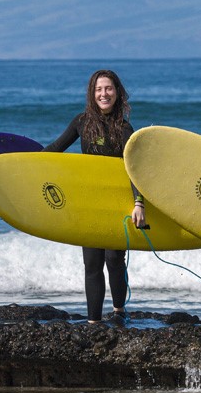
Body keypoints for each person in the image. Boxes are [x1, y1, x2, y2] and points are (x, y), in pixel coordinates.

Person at [44, 69, 145, 325]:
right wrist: (23, 163)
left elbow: (134, 169)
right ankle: (93, 321)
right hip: (88, 203)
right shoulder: (82, 122)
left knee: (113, 258)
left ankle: (119, 310)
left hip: (116, 203)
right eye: (99, 89)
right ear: (92, 93)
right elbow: (56, 148)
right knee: (92, 263)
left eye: (108, 89)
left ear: (117, 93)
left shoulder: (124, 128)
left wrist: (138, 203)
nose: (104, 94)